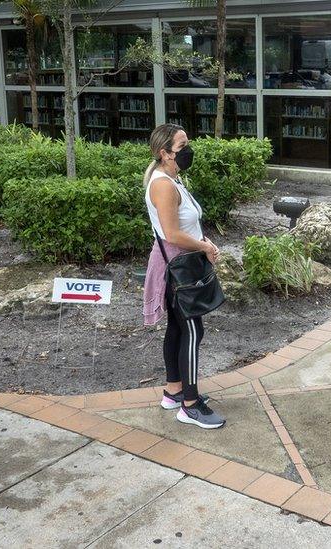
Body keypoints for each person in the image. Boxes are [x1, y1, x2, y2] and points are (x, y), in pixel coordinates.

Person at [142, 123, 225, 430]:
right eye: (182, 146)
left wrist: (204, 243)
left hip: (182, 263)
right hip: (177, 268)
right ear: (165, 154)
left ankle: (173, 391)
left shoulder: (171, 179)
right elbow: (172, 233)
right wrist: (204, 245)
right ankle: (190, 404)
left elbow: (181, 228)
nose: (188, 150)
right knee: (192, 331)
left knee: (178, 328)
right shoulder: (163, 184)